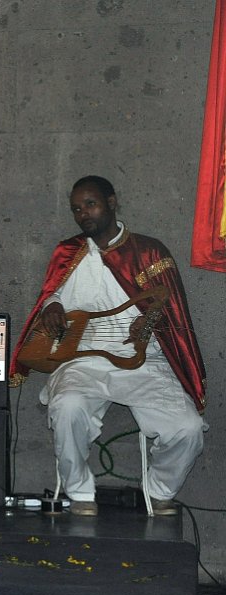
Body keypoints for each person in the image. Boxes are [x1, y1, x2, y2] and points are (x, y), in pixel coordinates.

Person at [10, 176, 206, 516]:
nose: (83, 213)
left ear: (112, 203)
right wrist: (52, 307)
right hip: (82, 358)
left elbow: (171, 314)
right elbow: (51, 295)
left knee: (187, 429)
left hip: (143, 359)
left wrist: (150, 324)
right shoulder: (68, 252)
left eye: (90, 204)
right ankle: (80, 493)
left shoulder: (149, 251)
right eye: (76, 208)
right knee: (67, 407)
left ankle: (159, 490)